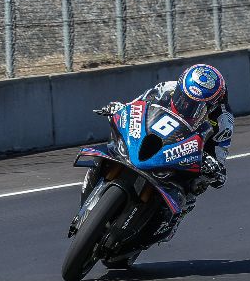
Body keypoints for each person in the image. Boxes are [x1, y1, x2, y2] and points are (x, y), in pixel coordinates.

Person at [90, 64, 233, 229]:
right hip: (150, 137)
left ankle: (175, 216)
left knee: (196, 185)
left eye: (195, 105)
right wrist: (120, 108)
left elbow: (220, 158)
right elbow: (136, 106)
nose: (185, 105)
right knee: (110, 147)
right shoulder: (166, 88)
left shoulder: (223, 122)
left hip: (185, 154)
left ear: (211, 107)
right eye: (182, 97)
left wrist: (215, 168)